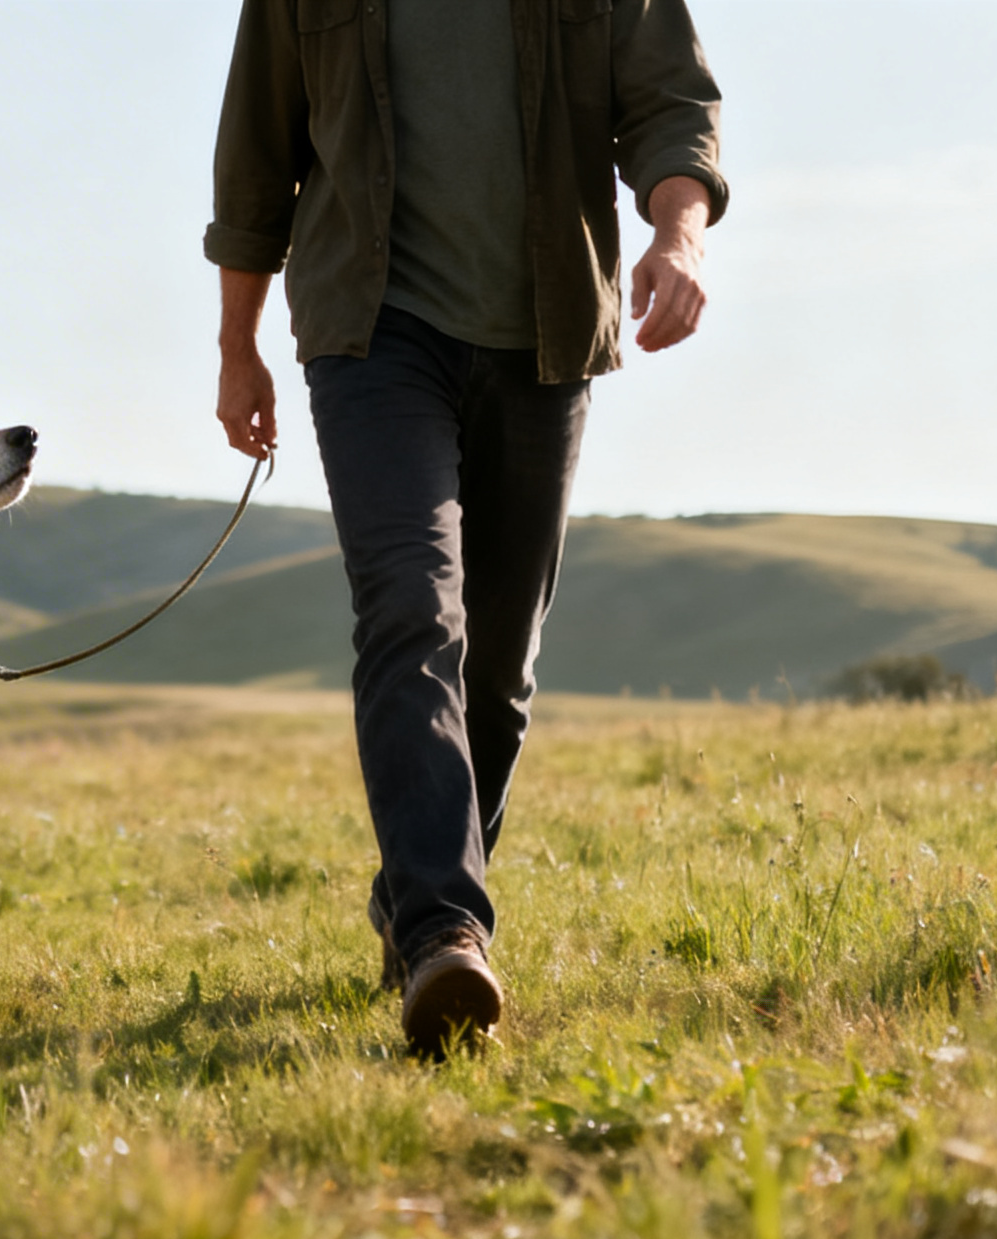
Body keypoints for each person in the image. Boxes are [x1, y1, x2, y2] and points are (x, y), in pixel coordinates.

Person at [205, 0, 724, 1056]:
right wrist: (237, 345)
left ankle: (413, 896)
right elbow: (255, 158)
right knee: (409, 608)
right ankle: (446, 926)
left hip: (545, 331)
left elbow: (671, 109)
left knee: (497, 660)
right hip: (370, 337)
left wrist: (678, 238)